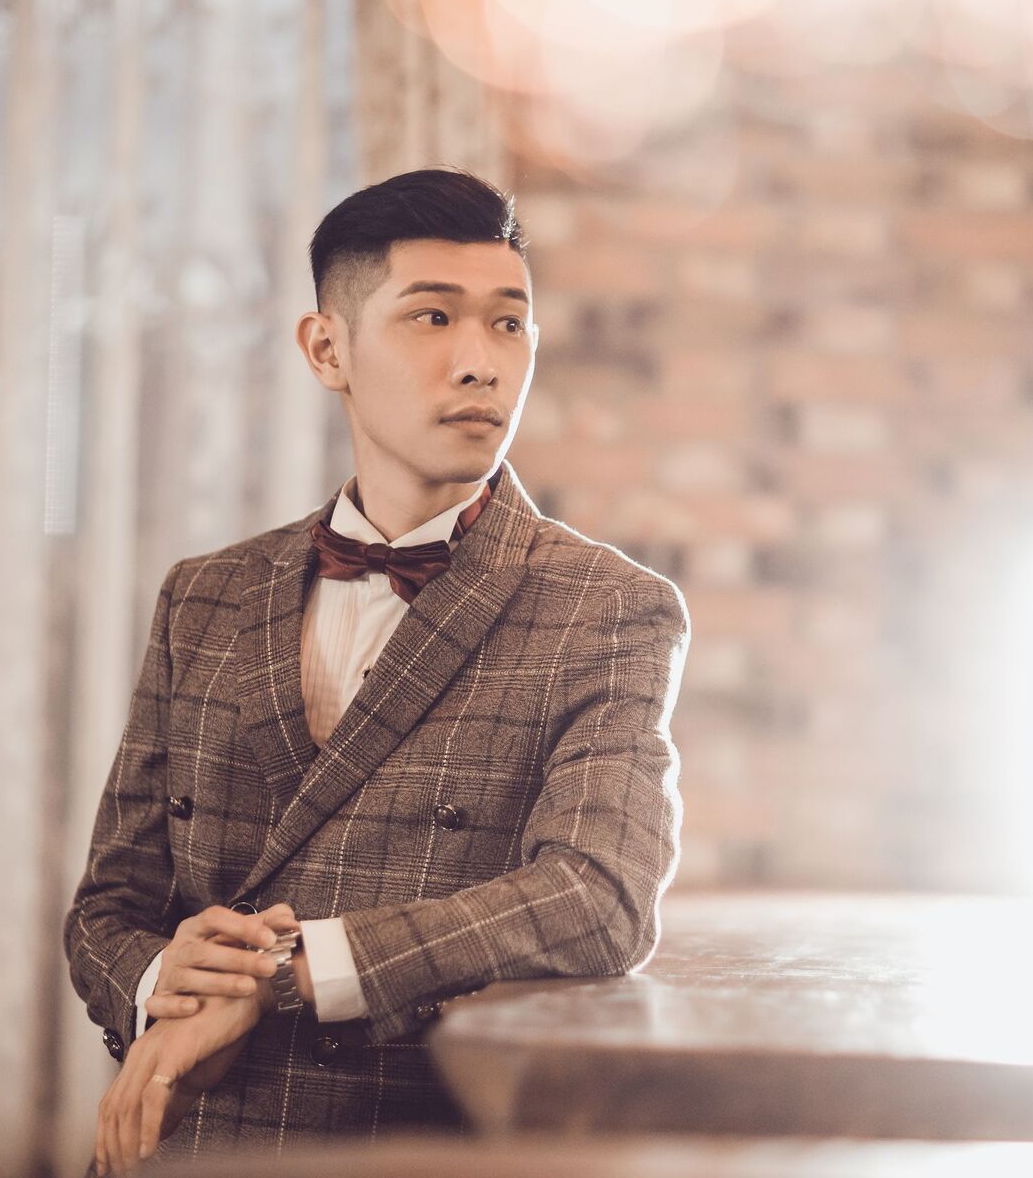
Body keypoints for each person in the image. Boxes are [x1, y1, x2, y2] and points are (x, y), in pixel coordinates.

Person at [63, 167, 690, 1171]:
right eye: (432, 317)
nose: (480, 363)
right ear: (328, 348)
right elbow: (108, 906)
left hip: (420, 1150)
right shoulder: (204, 594)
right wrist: (160, 990)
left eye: (509, 323)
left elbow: (597, 897)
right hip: (183, 1141)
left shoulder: (606, 607)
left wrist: (285, 971)